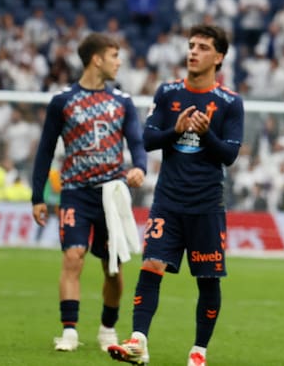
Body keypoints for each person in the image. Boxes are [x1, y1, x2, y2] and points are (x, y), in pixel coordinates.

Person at [108, 25, 243, 366]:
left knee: (208, 279)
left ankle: (199, 351)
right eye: (191, 45)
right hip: (168, 200)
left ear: (219, 57)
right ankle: (138, 341)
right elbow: (147, 140)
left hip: (207, 205)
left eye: (202, 47)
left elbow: (228, 154)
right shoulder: (167, 93)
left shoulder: (229, 102)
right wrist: (177, 130)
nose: (193, 52)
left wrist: (206, 134)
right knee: (151, 264)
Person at [31, 32, 147, 353]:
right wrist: (37, 196)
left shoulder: (122, 102)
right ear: (97, 59)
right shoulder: (63, 101)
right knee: (73, 257)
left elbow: (136, 143)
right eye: (114, 56)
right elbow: (45, 150)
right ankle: (69, 331)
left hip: (112, 194)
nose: (119, 62)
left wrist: (140, 167)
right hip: (74, 193)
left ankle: (107, 328)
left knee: (113, 266)